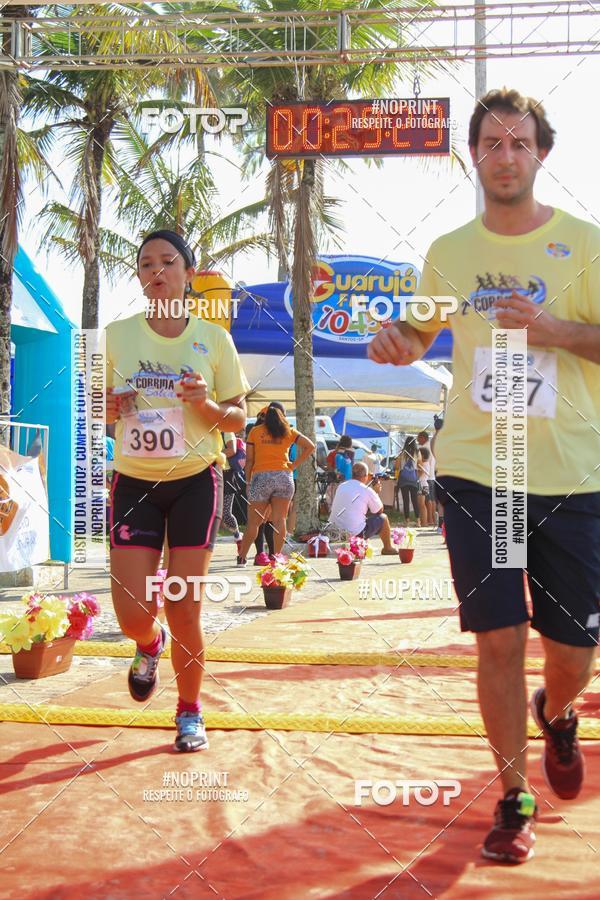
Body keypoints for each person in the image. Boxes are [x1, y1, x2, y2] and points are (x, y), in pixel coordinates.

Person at [368, 88, 600, 864]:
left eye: (520, 143)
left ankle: (558, 713)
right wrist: (396, 343)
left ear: (542, 153)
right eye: (492, 144)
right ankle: (512, 796)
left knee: (570, 652)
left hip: (572, 476)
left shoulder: (585, 245)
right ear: (475, 156)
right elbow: (418, 327)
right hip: (479, 474)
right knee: (498, 639)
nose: (506, 156)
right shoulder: (449, 252)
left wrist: (554, 329)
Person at [105, 228, 249, 753]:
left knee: (184, 605)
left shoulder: (214, 339)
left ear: (189, 273)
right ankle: (149, 644)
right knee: (131, 614)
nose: (157, 271)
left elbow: (238, 419)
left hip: (194, 481)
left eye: (169, 262)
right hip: (134, 482)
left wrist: (206, 408)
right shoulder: (117, 335)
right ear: (141, 278)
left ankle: (189, 710)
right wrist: (109, 410)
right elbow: (100, 412)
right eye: (147, 265)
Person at [237, 402, 315, 564]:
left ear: (264, 416)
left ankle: (242, 557)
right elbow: (310, 446)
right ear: (282, 416)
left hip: (260, 478)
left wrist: (248, 481)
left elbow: (250, 460)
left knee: (254, 522)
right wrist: (293, 465)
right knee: (280, 520)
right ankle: (277, 558)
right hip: (284, 478)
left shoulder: (255, 432)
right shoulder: (289, 431)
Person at [329, 462, 397, 553]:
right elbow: (379, 510)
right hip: (354, 535)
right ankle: (387, 548)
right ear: (365, 476)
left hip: (334, 532)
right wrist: (376, 492)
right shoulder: (367, 490)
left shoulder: (341, 486)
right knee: (383, 518)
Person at [222, 432, 244, 555]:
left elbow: (232, 450)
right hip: (207, 474)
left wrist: (211, 455)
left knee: (226, 514)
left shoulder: (226, 431)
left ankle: (237, 536)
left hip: (226, 475)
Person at [395, 437, 421, 525]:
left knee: (406, 500)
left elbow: (397, 466)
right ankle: (418, 521)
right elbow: (419, 465)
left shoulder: (402, 453)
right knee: (414, 500)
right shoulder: (417, 453)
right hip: (413, 478)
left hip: (403, 479)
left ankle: (407, 521)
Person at [417, 431, 436, 526]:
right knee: (432, 499)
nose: (417, 440)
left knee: (426, 501)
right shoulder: (432, 445)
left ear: (423, 438)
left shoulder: (423, 448)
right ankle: (432, 519)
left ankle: (428, 520)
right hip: (432, 476)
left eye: (418, 438)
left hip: (426, 478)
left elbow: (419, 463)